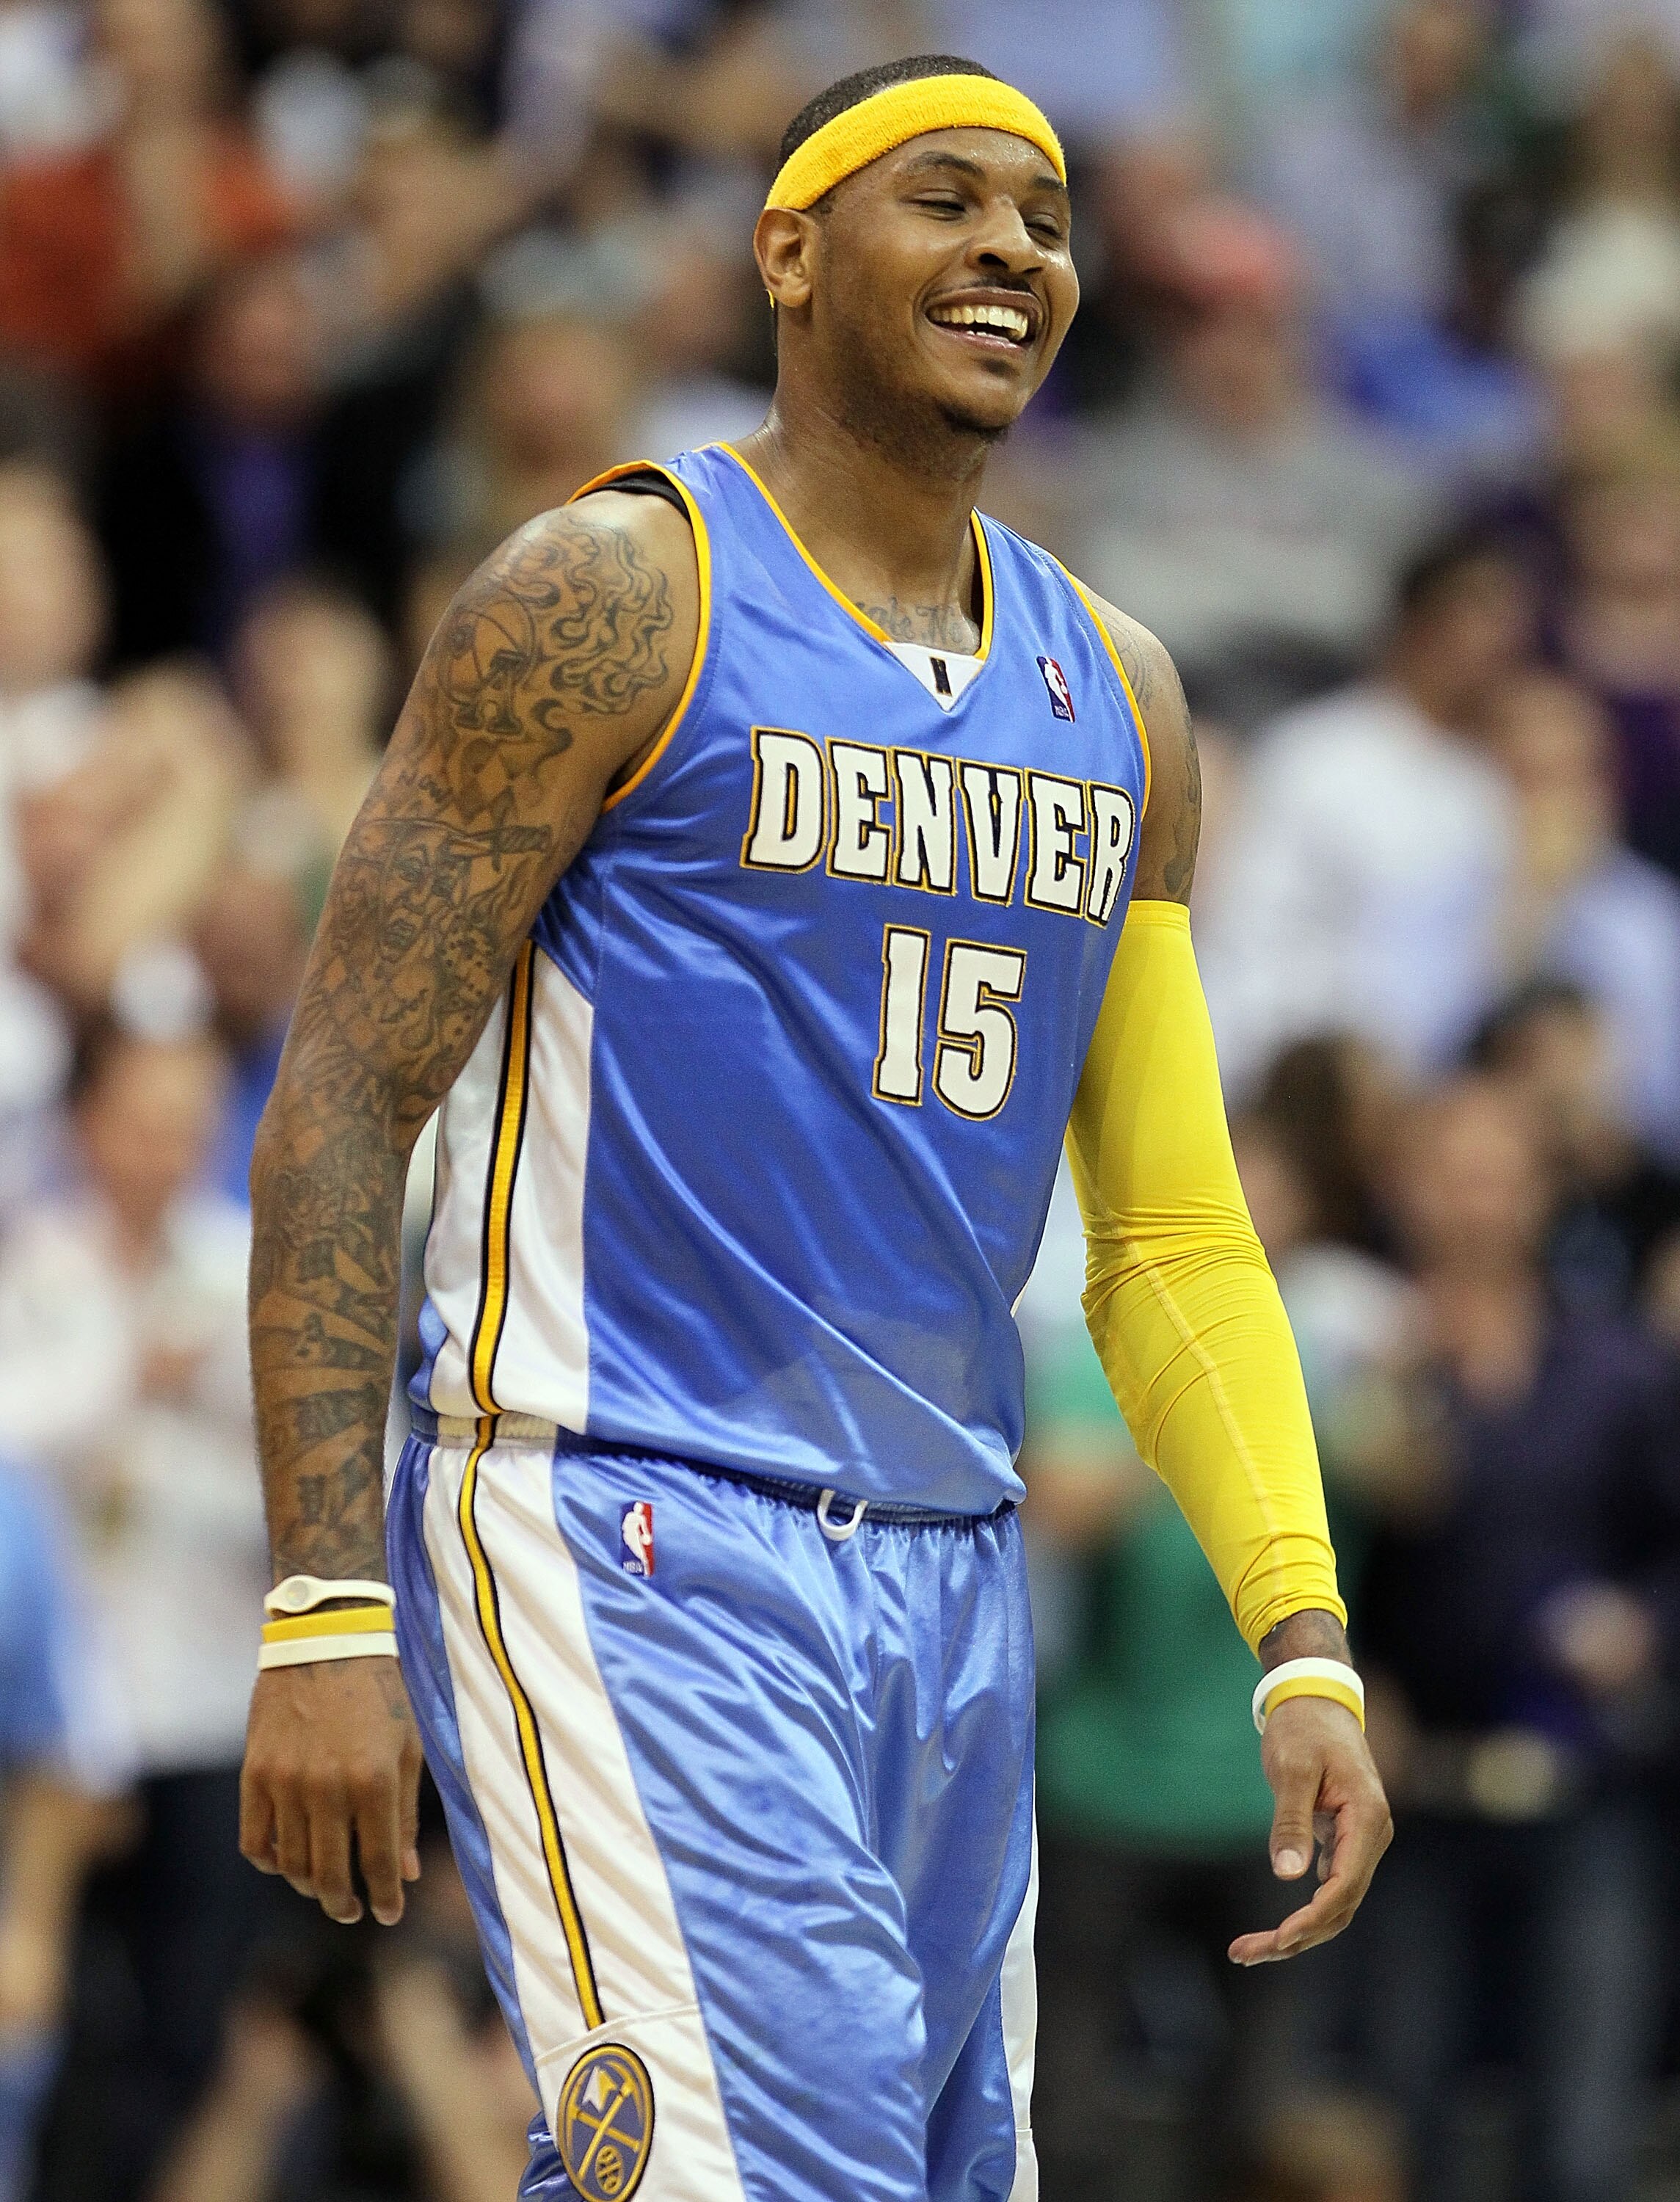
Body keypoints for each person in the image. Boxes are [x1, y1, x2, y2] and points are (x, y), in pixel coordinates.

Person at [239, 55, 1390, 2202]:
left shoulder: (1119, 697)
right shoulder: (612, 593)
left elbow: (1164, 1237)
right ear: (787, 250)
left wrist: (1297, 1628)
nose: (1012, 252)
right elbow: (339, 1101)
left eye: (1044, 219)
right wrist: (322, 1600)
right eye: (942, 200)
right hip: (622, 1513)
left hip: (946, 1578)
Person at [1357, 1074, 1680, 2202]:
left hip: (1583, 1793)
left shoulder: (1620, 1369)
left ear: (1542, 1195)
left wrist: (1643, 1624)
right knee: (1406, 2140)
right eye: (1449, 1174)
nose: (1473, 1203)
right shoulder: (1364, 1356)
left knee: (1580, 2146)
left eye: (1498, 1176)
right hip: (1413, 1800)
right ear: (1406, 1187)